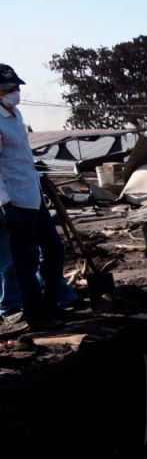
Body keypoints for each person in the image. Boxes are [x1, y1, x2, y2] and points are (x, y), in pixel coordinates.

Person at [0, 64, 66, 328]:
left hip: (32, 194)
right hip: (14, 200)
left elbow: (20, 156)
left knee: (54, 251)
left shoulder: (15, 114)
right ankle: (34, 313)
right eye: (8, 89)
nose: (15, 92)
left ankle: (51, 303)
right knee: (23, 261)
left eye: (16, 87)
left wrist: (39, 175)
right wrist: (4, 204)